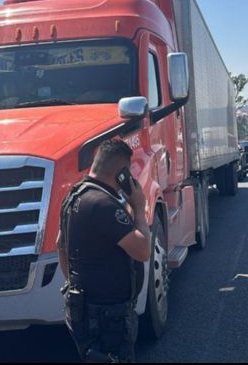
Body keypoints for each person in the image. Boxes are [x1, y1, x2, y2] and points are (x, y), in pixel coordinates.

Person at [57, 139, 152, 363]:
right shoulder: (104, 206)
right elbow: (142, 250)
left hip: (83, 309)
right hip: (109, 316)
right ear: (121, 174)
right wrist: (139, 207)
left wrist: (73, 284)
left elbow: (61, 244)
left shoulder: (73, 196)